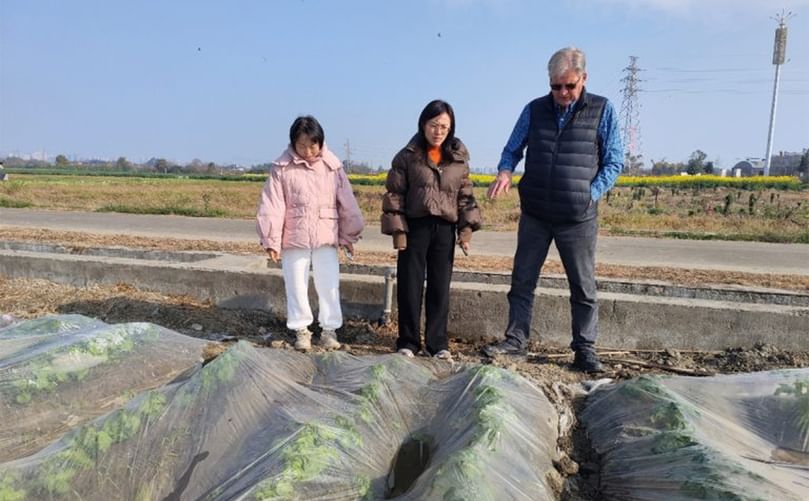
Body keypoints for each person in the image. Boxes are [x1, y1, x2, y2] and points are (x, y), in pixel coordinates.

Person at [482, 47, 623, 373]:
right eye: (555, 86)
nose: (562, 93)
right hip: (536, 214)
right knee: (523, 280)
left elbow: (614, 161)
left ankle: (585, 349)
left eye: (569, 86)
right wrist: (505, 171)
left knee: (582, 285)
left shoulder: (602, 110)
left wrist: (590, 194)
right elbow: (512, 149)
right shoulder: (534, 110)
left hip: (577, 218)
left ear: (583, 79)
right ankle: (515, 342)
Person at [381, 99, 482, 361]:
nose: (438, 132)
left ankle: (437, 344)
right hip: (415, 227)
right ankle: (408, 341)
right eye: (434, 125)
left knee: (440, 286)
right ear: (423, 124)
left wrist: (466, 230)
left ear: (451, 128)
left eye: (444, 127)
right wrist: (398, 232)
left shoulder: (458, 158)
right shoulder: (407, 156)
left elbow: (465, 196)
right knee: (409, 285)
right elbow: (395, 195)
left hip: (445, 229)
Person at [256, 115, 364, 352]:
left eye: (312, 145)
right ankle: (301, 330)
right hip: (294, 235)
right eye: (301, 145)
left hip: (326, 233)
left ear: (320, 142)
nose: (307, 151)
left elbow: (346, 203)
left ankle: (329, 330)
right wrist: (271, 239)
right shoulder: (281, 168)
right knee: (295, 283)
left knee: (329, 284)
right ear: (293, 143)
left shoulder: (332, 166)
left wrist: (348, 235)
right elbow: (273, 205)